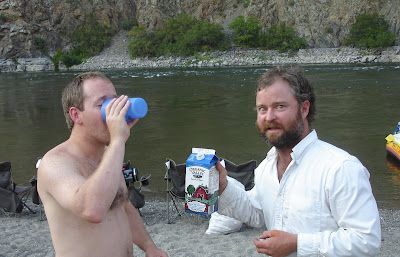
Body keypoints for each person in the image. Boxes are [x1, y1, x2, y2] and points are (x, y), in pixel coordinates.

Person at [216, 66, 381, 257]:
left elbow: (367, 241)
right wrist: (223, 186)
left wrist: (297, 243)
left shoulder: (340, 168)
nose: (269, 117)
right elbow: (257, 212)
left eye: (280, 106)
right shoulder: (266, 167)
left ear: (304, 109)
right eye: (262, 109)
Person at [37, 72, 168, 257]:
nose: (114, 112)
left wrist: (149, 246)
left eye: (115, 102)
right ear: (76, 115)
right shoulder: (54, 164)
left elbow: (123, 206)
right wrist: (117, 141)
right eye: (103, 105)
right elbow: (92, 210)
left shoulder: (108, 158)